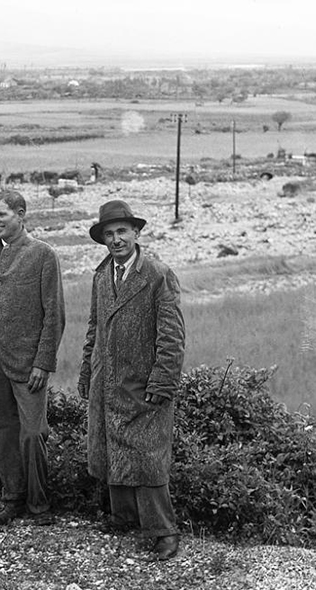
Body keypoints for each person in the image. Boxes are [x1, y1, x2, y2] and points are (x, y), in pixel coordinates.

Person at [77, 200, 185, 561]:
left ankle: (164, 531)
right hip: (107, 380)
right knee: (111, 450)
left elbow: (171, 336)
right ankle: (123, 518)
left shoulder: (157, 274)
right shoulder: (101, 275)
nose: (116, 239)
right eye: (109, 233)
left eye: (122, 231)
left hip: (144, 385)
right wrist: (86, 371)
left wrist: (162, 383)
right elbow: (94, 327)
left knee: (148, 458)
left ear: (136, 233)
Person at [0, 189, 65, 526]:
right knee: (3, 432)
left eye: (2, 215)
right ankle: (12, 499)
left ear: (21, 214)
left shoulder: (43, 255)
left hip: (29, 365)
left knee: (34, 433)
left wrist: (43, 362)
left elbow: (54, 315)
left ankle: (39, 504)